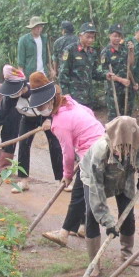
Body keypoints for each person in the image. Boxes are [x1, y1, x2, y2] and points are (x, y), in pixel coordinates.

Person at [31, 73, 105, 248]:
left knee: (80, 193)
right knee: (80, 193)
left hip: (93, 153)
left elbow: (68, 153)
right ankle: (79, 228)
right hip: (102, 142)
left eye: (42, 105)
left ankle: (65, 233)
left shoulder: (60, 122)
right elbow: (90, 113)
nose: (41, 109)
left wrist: (67, 174)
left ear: (50, 101)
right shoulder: (70, 102)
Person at [80, 116, 139, 277]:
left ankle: (127, 252)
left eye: (124, 148)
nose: (119, 151)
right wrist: (108, 222)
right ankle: (94, 263)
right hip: (93, 178)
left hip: (124, 175)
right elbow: (96, 191)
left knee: (128, 212)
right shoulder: (100, 150)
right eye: (116, 148)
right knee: (92, 214)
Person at [11, 67, 65, 194]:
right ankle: (23, 181)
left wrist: (50, 119)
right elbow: (1, 113)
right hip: (28, 119)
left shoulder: (53, 92)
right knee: (23, 145)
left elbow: (59, 108)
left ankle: (61, 179)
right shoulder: (19, 94)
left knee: (55, 145)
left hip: (46, 117)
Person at [0, 66, 26, 175]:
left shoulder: (31, 93)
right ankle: (1, 165)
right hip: (14, 116)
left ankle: (5, 168)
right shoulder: (8, 97)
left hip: (29, 118)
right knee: (7, 129)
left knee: (13, 133)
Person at [58, 22, 107, 108]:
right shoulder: (70, 50)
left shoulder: (92, 52)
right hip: (74, 96)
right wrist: (66, 94)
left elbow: (93, 73)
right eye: (88, 37)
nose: (91, 40)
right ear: (80, 35)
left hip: (89, 96)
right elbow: (63, 74)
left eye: (92, 37)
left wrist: (105, 75)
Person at [100, 23, 134, 120]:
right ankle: (112, 135)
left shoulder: (124, 49)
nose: (117, 38)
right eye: (115, 36)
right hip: (114, 88)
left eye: (119, 36)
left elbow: (130, 63)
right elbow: (106, 72)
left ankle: (125, 134)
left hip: (126, 86)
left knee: (127, 114)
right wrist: (121, 80)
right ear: (109, 36)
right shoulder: (106, 52)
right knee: (114, 115)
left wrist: (131, 51)